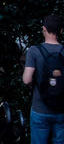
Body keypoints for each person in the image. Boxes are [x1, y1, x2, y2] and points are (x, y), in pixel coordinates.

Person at [24, 13, 64, 144]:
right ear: (61, 31)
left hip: (40, 109)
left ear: (44, 29)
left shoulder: (34, 51)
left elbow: (27, 80)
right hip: (62, 110)